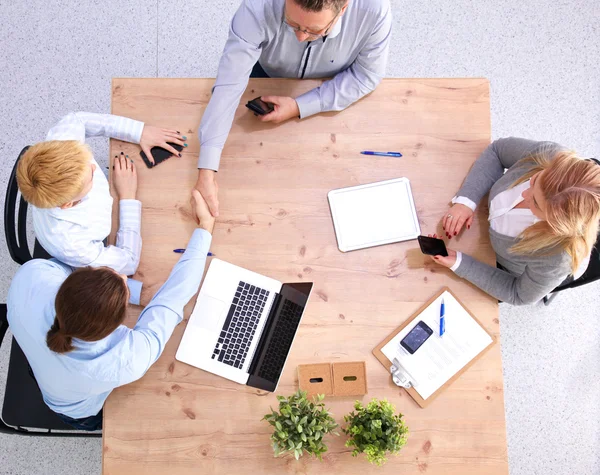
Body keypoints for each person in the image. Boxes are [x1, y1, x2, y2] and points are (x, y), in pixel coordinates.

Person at [6, 190, 215, 431]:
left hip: (41, 360)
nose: (125, 276)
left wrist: (136, 293)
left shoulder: (31, 277)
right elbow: (174, 297)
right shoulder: (126, 361)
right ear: (118, 325)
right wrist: (206, 228)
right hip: (75, 409)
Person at [196, 0, 392, 216]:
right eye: (291, 23)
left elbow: (365, 76)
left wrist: (300, 105)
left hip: (332, 84)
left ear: (343, 9)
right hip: (267, 74)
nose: (300, 37)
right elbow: (228, 86)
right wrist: (207, 169)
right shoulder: (257, 6)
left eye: (315, 31)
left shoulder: (374, 10)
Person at [429, 137, 600, 305]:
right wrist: (466, 201)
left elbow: (518, 294)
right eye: (534, 180)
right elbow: (497, 151)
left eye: (535, 203)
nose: (524, 194)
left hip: (509, 267)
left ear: (554, 225)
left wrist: (460, 263)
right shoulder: (549, 154)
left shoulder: (557, 258)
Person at [16, 112, 187, 275]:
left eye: (86, 160)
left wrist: (139, 131)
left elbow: (78, 120)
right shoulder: (72, 244)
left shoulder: (61, 144)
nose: (93, 167)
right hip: (105, 225)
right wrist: (128, 197)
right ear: (69, 204)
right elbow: (128, 262)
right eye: (91, 177)